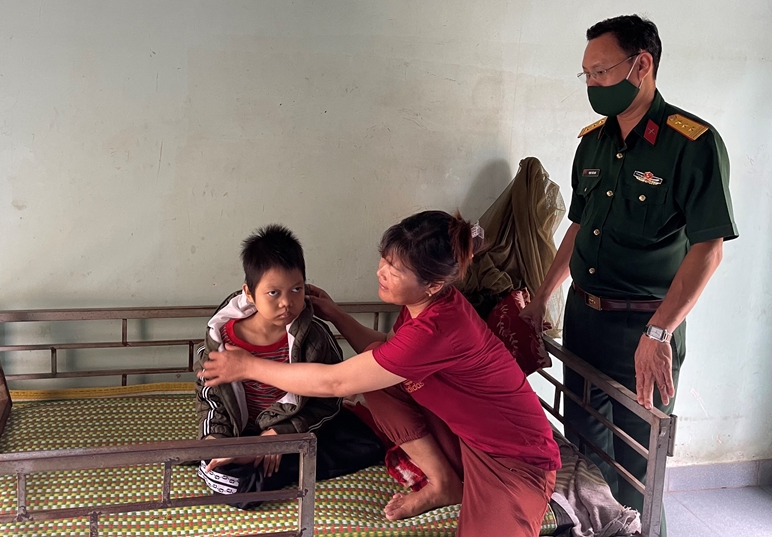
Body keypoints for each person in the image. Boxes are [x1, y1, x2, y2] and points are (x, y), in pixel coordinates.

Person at [200, 211, 561, 537]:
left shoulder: (438, 328)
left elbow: (336, 382)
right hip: (464, 439)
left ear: (433, 284)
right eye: (384, 259)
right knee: (376, 367)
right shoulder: (424, 306)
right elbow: (385, 352)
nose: (380, 272)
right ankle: (443, 482)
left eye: (395, 269)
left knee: (364, 387)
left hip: (514, 459)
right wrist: (337, 315)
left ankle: (448, 484)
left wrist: (248, 366)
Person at [519, 14, 738, 535]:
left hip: (645, 328)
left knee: (639, 460)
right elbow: (578, 228)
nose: (592, 84)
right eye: (586, 74)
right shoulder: (593, 143)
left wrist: (659, 332)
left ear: (641, 65)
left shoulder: (692, 144)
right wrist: (542, 298)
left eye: (601, 72)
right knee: (585, 450)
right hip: (585, 320)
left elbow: (708, 249)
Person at [192, 224, 383, 506]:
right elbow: (211, 399)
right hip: (240, 432)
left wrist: (281, 434)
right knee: (225, 472)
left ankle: (277, 460)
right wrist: (216, 441)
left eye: (296, 289)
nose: (287, 303)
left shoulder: (313, 336)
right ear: (249, 293)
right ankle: (259, 459)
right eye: (273, 293)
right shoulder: (222, 341)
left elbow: (328, 400)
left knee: (368, 443)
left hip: (292, 425)